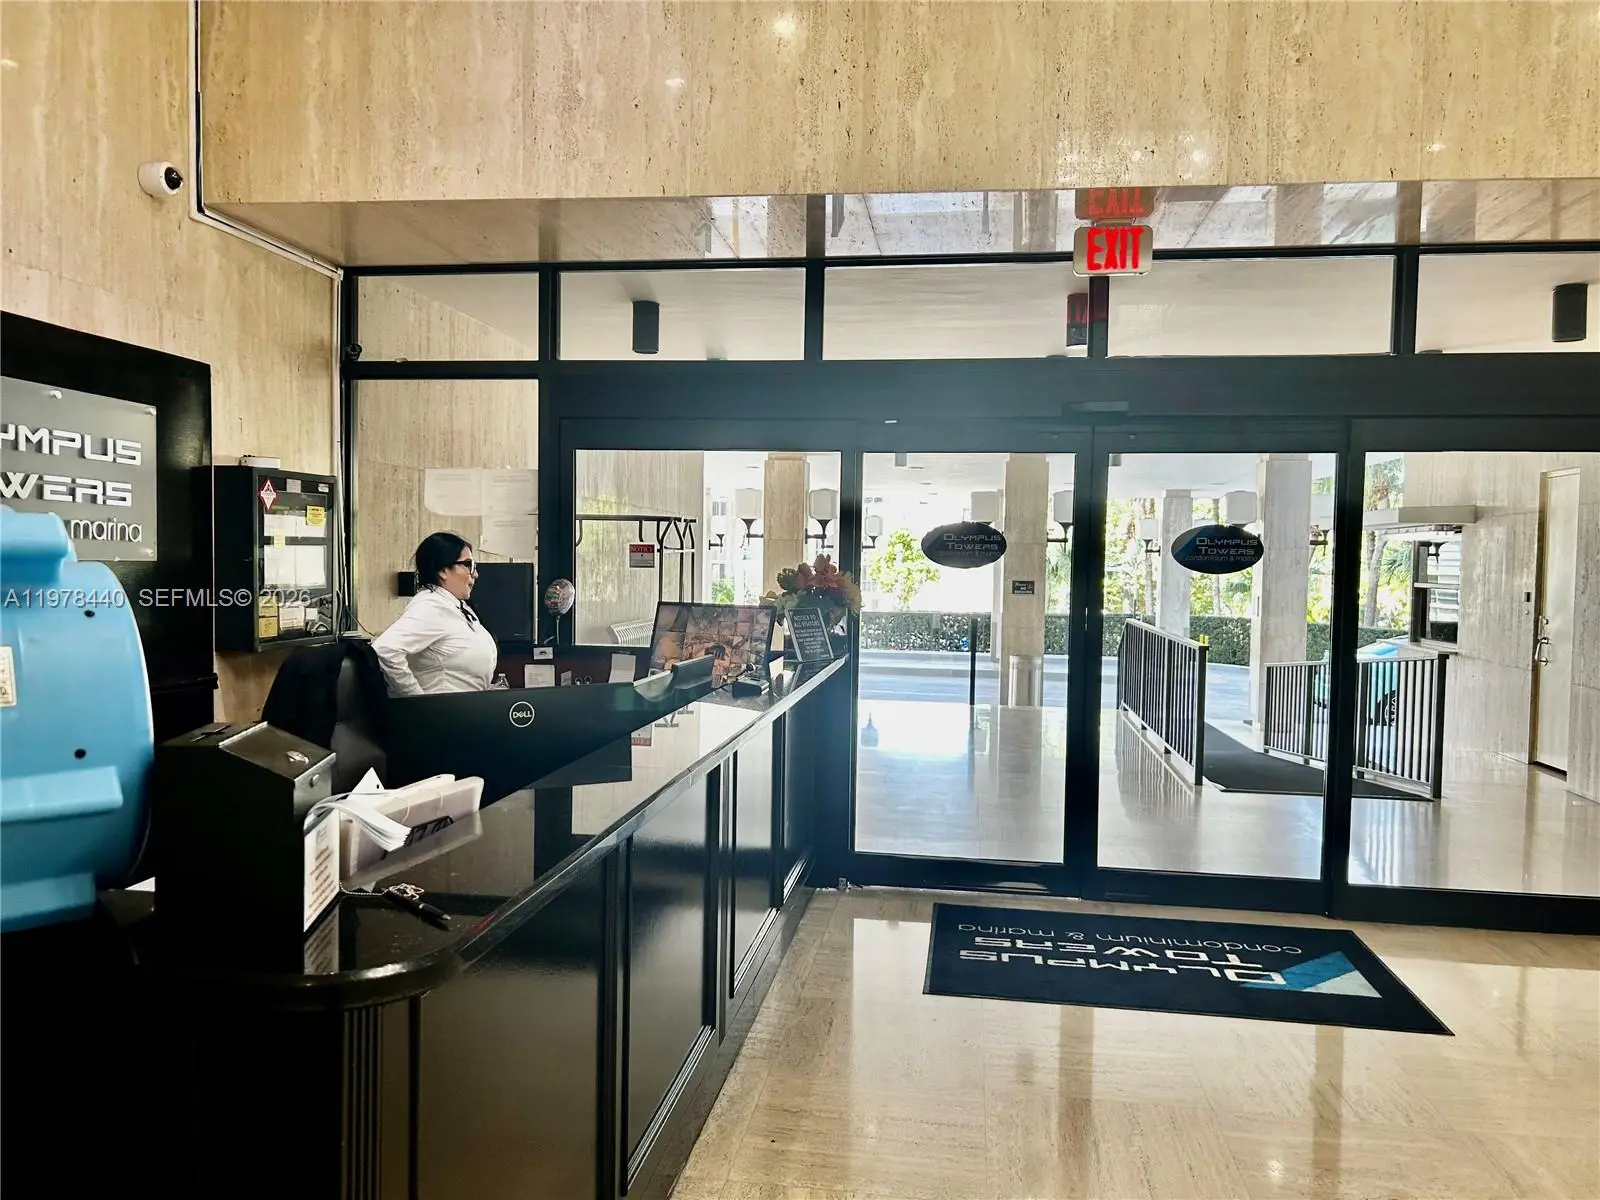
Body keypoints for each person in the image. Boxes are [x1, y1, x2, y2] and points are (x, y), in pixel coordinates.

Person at [372, 532, 500, 696]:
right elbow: (386, 649)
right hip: (443, 710)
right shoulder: (431, 606)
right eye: (468, 565)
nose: (475, 574)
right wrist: (418, 701)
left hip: (468, 706)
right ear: (443, 570)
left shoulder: (458, 606)